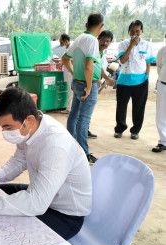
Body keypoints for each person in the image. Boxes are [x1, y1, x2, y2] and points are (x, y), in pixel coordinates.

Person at [0, 87, 92, 241]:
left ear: (29, 120)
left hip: (65, 215)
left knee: (3, 231)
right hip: (44, 195)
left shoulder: (56, 146)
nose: (4, 132)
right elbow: (19, 160)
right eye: (2, 127)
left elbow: (37, 203)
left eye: (8, 127)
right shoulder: (32, 128)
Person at [62, 13, 104, 164]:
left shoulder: (80, 38)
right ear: (101, 26)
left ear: (87, 25)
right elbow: (88, 65)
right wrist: (87, 85)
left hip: (76, 83)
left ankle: (71, 148)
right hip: (87, 85)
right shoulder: (92, 40)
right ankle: (84, 154)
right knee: (83, 120)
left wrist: (74, 74)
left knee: (73, 115)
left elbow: (65, 59)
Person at [114, 20, 155, 140]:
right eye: (132, 31)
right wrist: (131, 45)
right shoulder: (123, 44)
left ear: (142, 31)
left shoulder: (147, 45)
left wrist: (146, 76)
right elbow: (122, 60)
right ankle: (120, 128)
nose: (135, 33)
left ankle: (135, 130)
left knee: (139, 107)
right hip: (124, 81)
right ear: (129, 32)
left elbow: (148, 63)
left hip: (141, 81)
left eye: (137, 31)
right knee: (121, 107)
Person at [88, 30, 116, 139]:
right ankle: (81, 133)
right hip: (87, 83)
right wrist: (92, 81)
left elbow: (97, 68)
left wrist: (101, 79)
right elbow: (88, 67)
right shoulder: (93, 50)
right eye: (103, 40)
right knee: (84, 112)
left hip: (93, 82)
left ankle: (83, 130)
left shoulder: (102, 53)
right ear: (98, 39)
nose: (105, 43)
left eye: (107, 41)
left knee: (85, 111)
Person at [152, 45, 166, 152]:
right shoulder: (162, 50)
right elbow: (159, 66)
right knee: (161, 114)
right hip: (163, 84)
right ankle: (163, 141)